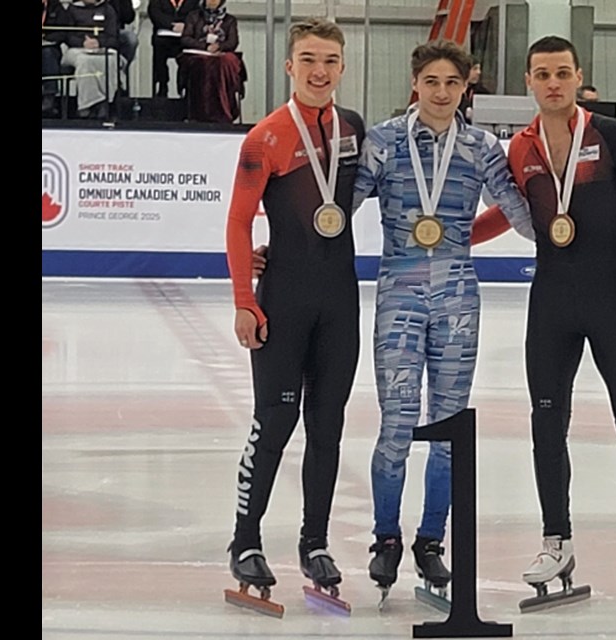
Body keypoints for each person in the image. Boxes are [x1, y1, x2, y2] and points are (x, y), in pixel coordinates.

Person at [472, 35, 616, 612]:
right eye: (542, 74)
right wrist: (450, 240)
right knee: (545, 425)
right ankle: (555, 541)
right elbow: (508, 213)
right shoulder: (521, 147)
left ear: (578, 76)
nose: (553, 83)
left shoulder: (610, 137)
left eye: (562, 72)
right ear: (530, 82)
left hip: (614, 302)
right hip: (552, 305)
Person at [353, 39, 534, 600]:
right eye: (431, 82)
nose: (441, 92)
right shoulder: (382, 141)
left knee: (451, 428)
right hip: (399, 296)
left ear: (465, 86)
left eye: (451, 83)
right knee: (398, 425)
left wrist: (576, 244)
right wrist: (279, 249)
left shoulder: (481, 147)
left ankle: (431, 540)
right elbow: (335, 209)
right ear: (416, 83)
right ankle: (386, 538)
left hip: (458, 299)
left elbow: (521, 212)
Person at [224, 17, 365, 604]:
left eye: (330, 60)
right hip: (283, 302)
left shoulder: (354, 129)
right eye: (308, 59)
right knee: (275, 422)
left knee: (327, 429)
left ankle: (315, 541)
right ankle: (246, 540)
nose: (319, 71)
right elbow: (237, 221)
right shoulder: (265, 137)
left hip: (340, 304)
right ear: (289, 66)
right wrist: (244, 301)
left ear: (341, 67)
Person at [178, 0, 244, 123]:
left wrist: (219, 46)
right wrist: (205, 46)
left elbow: (233, 42)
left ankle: (225, 107)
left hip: (221, 54)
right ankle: (201, 112)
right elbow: (186, 39)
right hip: (200, 54)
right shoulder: (193, 17)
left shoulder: (230, 20)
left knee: (225, 63)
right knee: (203, 64)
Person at [58, 0, 122, 118]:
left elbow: (114, 37)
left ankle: (106, 101)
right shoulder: (72, 10)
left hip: (102, 48)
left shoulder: (108, 10)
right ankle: (88, 104)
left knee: (110, 60)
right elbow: (67, 35)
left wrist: (99, 42)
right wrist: (83, 42)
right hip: (77, 49)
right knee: (85, 61)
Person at [147, 0, 199, 97]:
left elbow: (196, 15)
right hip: (164, 34)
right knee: (159, 48)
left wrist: (185, 26)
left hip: (185, 35)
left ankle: (184, 85)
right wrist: (171, 25)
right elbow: (155, 14)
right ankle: (162, 84)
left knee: (188, 51)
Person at [457, 55, 490, 124]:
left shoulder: (482, 92)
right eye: (475, 69)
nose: (479, 72)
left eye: (479, 69)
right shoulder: (456, 89)